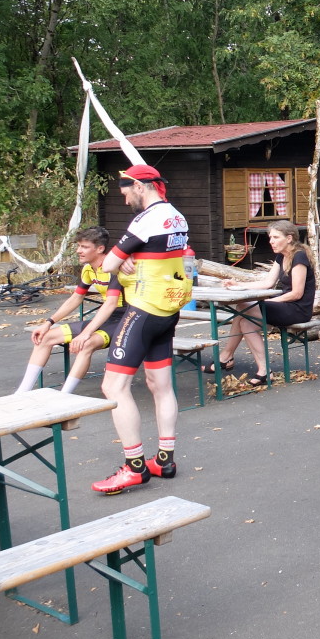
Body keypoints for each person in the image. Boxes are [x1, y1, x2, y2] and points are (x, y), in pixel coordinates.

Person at [75, 165, 191, 494]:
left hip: (143, 309)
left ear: (140, 186)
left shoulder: (145, 219)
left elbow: (109, 264)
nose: (124, 199)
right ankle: (164, 459)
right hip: (168, 309)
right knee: (160, 385)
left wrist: (123, 258)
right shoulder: (177, 216)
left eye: (126, 191)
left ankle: (135, 466)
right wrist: (132, 255)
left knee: (113, 386)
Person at [204, 219, 315, 387]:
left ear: (289, 238)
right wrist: (238, 285)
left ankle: (226, 357)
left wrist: (268, 302)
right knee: (245, 322)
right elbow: (267, 283)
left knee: (243, 307)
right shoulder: (281, 256)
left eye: (275, 237)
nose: (271, 241)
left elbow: (296, 293)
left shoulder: (299, 257)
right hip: (284, 305)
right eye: (270, 237)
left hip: (297, 309)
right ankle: (264, 371)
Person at [15, 227, 126, 395]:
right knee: (45, 338)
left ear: (100, 249)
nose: (78, 250)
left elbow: (110, 304)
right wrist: (48, 323)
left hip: (125, 319)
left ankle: (64, 396)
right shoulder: (88, 269)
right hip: (106, 318)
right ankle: (22, 393)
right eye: (78, 246)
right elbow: (76, 298)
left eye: (84, 247)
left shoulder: (113, 268)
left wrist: (85, 334)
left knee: (86, 344)